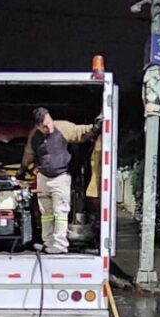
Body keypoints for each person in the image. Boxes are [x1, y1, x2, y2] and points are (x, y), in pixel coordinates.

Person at [17, 107, 99, 254]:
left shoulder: (61, 127)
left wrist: (95, 127)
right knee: (46, 213)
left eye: (49, 122)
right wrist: (22, 170)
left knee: (60, 212)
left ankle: (60, 244)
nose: (49, 127)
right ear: (37, 126)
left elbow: (79, 132)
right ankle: (48, 242)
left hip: (60, 177)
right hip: (43, 177)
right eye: (44, 126)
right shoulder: (34, 136)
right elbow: (28, 153)